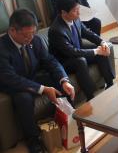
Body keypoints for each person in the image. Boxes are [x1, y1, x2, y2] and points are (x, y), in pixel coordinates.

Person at [0, 9, 75, 153]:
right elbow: (10, 78)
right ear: (12, 30)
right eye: (25, 35)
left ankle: (68, 121)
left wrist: (64, 80)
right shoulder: (2, 48)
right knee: (23, 98)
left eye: (33, 33)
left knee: (60, 83)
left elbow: (50, 61)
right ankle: (33, 140)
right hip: (13, 84)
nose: (30, 38)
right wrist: (43, 89)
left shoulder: (35, 40)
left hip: (32, 76)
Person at [48, 0, 115, 101]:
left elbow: (86, 32)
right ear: (64, 12)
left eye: (78, 9)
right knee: (81, 60)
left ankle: (110, 84)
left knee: (101, 50)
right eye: (75, 10)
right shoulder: (56, 30)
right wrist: (95, 51)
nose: (78, 13)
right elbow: (71, 52)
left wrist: (102, 42)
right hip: (65, 60)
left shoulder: (75, 18)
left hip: (77, 52)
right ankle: (90, 96)